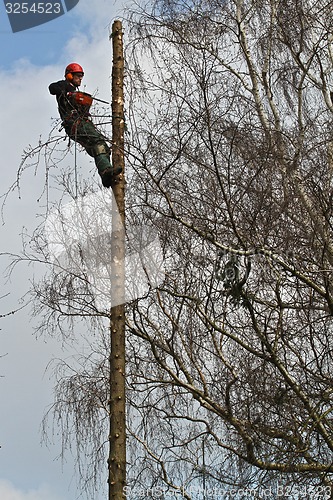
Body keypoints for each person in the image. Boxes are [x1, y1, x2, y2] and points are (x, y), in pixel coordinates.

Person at [49, 62, 121, 188]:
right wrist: (66, 92)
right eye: (78, 75)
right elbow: (51, 88)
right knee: (98, 142)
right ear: (70, 76)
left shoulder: (76, 92)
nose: (81, 78)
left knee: (101, 148)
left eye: (82, 76)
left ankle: (106, 175)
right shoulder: (63, 85)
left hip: (80, 124)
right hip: (74, 123)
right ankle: (105, 171)